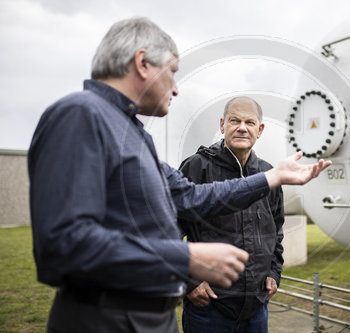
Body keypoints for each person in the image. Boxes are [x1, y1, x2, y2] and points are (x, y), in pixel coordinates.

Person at [28, 17, 331, 333]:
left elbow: (191, 197)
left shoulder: (134, 134)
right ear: (142, 63)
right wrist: (184, 259)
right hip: (106, 320)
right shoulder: (82, 115)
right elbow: (61, 246)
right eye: (172, 72)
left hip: (151, 318)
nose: (175, 87)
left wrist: (272, 178)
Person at [179, 96, 283, 333]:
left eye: (250, 122)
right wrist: (190, 283)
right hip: (209, 307)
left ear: (260, 129)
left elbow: (276, 230)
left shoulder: (269, 175)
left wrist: (274, 272)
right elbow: (168, 230)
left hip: (256, 308)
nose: (242, 128)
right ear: (222, 125)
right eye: (234, 120)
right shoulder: (198, 167)